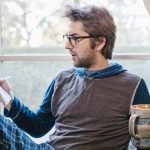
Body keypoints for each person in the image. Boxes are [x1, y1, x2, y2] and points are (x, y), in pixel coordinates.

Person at [0, 5, 150, 150]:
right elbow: (38, 127)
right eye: (67, 37)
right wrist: (9, 98)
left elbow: (145, 141)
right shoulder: (62, 79)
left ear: (99, 43)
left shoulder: (133, 86)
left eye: (75, 38)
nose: (67, 45)